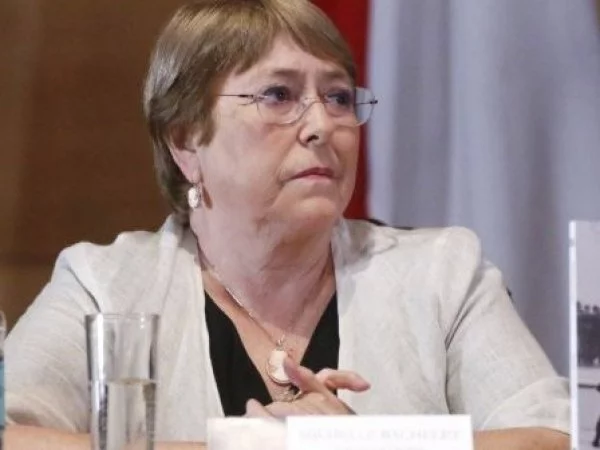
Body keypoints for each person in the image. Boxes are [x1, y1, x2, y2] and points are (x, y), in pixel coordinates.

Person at [5, 0, 570, 449]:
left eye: (338, 97)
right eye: (278, 95)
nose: (322, 124)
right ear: (186, 140)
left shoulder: (442, 275)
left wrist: (361, 446)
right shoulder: (105, 287)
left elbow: (555, 436)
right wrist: (248, 446)